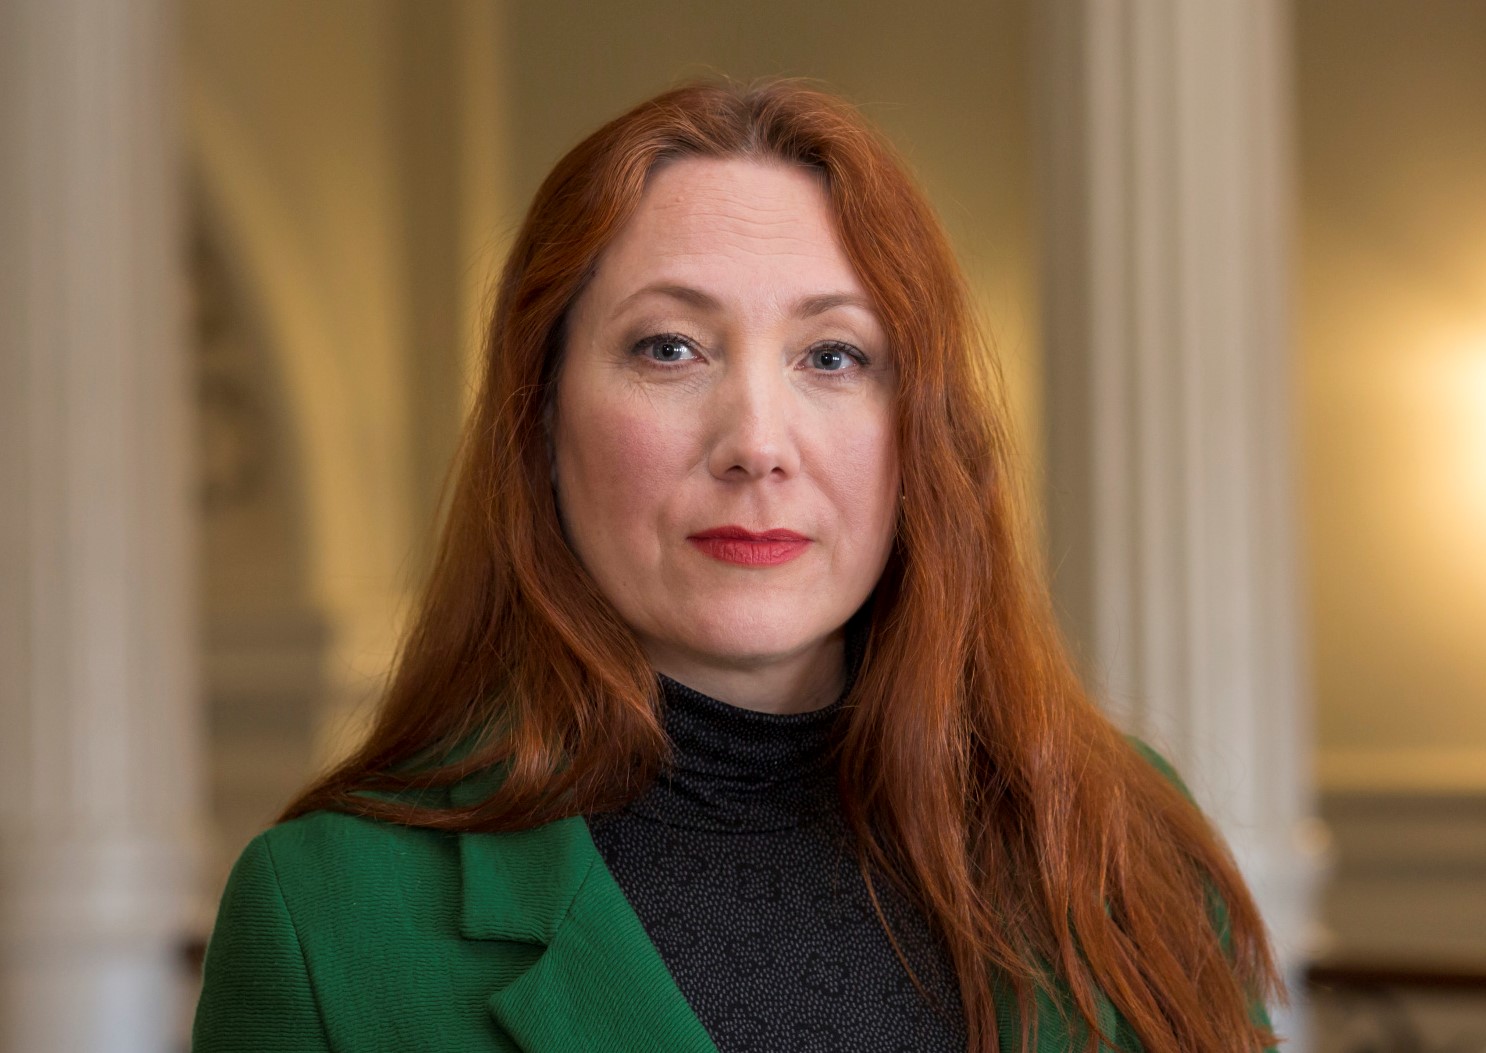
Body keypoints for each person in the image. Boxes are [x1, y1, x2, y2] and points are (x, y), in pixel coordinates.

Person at [192, 79, 1282, 1053]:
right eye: (669, 348)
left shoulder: (1125, 838)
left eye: (833, 355)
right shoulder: (327, 917)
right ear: (542, 421)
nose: (757, 442)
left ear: (922, 435)